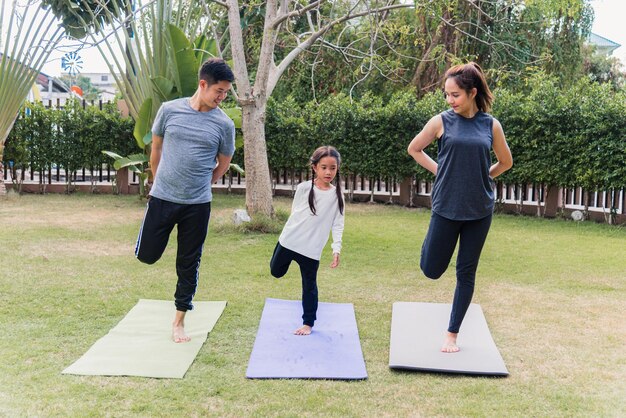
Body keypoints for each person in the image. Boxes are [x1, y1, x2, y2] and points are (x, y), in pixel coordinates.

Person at [407, 62, 513, 353]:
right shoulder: (441, 121)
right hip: (445, 206)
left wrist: (482, 176)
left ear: (472, 93)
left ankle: (452, 334)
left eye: (455, 95)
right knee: (431, 270)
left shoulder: (491, 125)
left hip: (479, 210)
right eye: (447, 94)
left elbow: (506, 162)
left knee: (466, 272)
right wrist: (440, 170)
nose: (449, 100)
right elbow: (414, 149)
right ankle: (429, 248)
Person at [135, 58, 235, 343]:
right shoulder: (169, 111)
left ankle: (179, 321)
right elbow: (156, 148)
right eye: (219, 90)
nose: (222, 97)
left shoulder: (224, 124)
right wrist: (157, 182)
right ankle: (151, 236)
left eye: (226, 92)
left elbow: (224, 162)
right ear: (203, 84)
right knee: (147, 256)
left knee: (188, 262)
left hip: (197, 204)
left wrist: (206, 182)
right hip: (163, 198)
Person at [270, 146, 345, 335]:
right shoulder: (304, 188)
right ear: (315, 168)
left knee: (309, 285)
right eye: (324, 167)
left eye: (333, 168)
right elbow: (295, 214)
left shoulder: (337, 195)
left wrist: (336, 249)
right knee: (276, 272)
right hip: (289, 241)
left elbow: (338, 224)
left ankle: (308, 323)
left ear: (337, 169)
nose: (328, 172)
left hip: (311, 250)